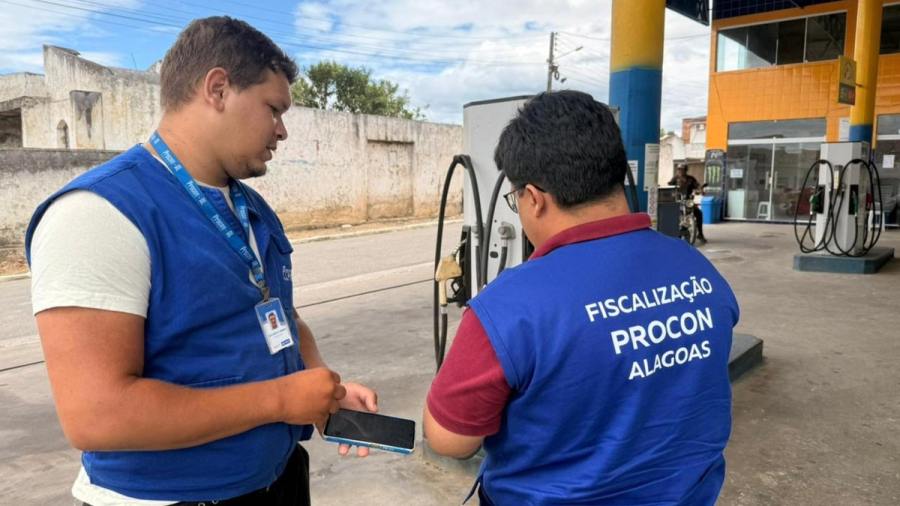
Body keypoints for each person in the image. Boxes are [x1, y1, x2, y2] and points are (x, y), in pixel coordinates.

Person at [26, 17, 377, 506]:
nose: (283, 131)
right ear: (218, 88)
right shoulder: (98, 213)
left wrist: (322, 393)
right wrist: (280, 400)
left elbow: (278, 311)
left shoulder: (250, 207)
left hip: (276, 479)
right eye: (273, 109)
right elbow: (96, 416)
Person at [424, 91, 739, 505]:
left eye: (515, 197)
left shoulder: (507, 308)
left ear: (534, 198)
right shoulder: (698, 271)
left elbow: (450, 439)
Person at [668, 163, 707, 243]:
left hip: (688, 200)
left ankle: (700, 234)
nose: (680, 171)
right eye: (679, 169)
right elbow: (669, 185)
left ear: (685, 170)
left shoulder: (690, 179)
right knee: (672, 214)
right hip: (678, 200)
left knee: (699, 213)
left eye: (682, 169)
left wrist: (701, 190)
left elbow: (697, 185)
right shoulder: (675, 179)